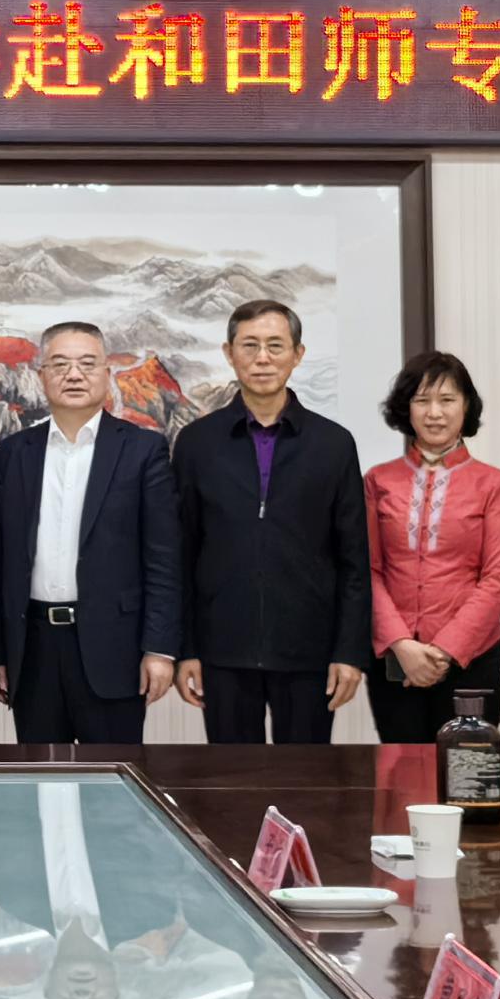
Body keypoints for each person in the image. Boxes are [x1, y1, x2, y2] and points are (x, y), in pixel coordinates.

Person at [172, 300, 370, 744]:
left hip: (309, 649)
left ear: (297, 355)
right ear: (229, 353)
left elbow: (354, 559)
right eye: (250, 346)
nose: (262, 358)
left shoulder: (333, 444)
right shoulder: (197, 443)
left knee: (305, 776)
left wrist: (349, 652)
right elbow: (182, 553)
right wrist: (186, 649)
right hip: (222, 648)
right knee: (231, 777)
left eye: (275, 346)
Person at [0, 321, 182, 743]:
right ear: (42, 376)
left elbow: (163, 558)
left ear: (106, 373)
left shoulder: (142, 451)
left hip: (116, 646)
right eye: (60, 364)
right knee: (41, 773)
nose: (73, 375)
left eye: (87, 364)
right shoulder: (11, 455)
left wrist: (159, 648)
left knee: (114, 774)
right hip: (32, 648)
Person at [363, 351, 500, 744]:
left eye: (447, 400)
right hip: (395, 660)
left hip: (472, 660)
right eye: (422, 400)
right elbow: (367, 570)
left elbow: (498, 579)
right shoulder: (378, 481)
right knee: (401, 771)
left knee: (467, 772)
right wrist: (402, 645)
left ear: (466, 407)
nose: (435, 413)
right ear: (406, 408)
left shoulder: (494, 484)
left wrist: (444, 650)